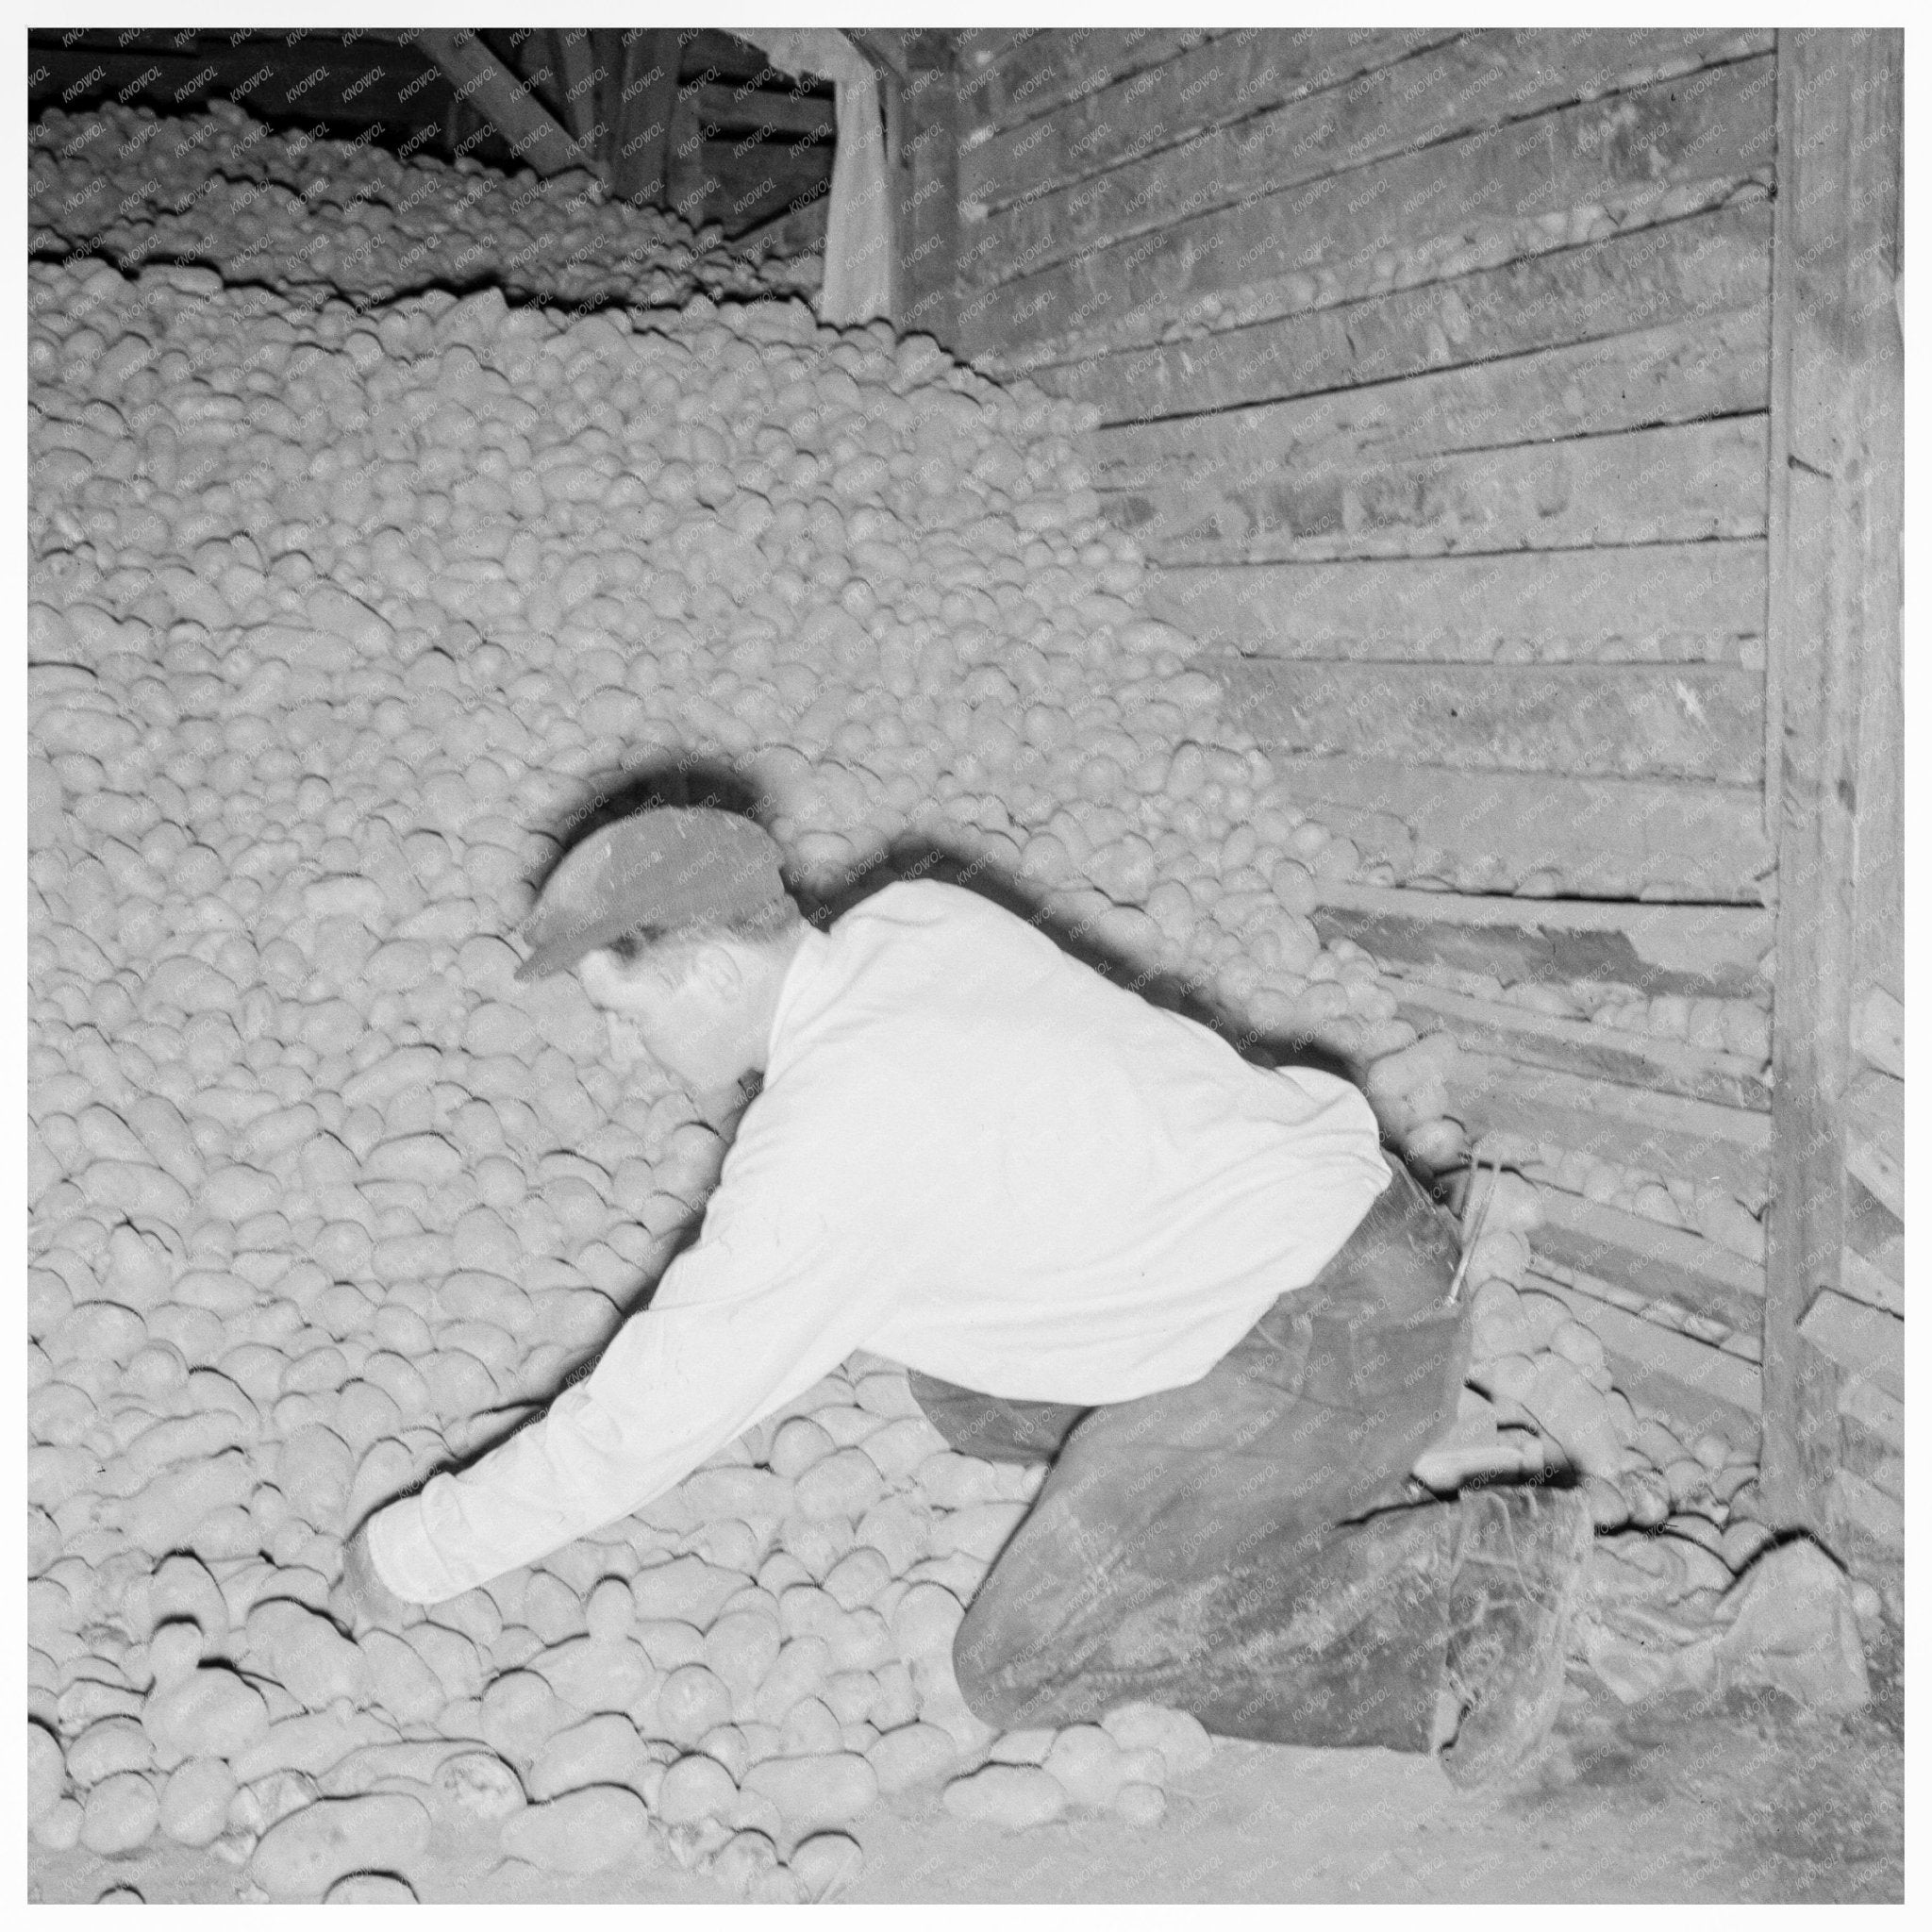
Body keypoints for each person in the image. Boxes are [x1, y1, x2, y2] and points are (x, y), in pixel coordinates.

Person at [335, 804, 1592, 1787]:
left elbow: (647, 1420)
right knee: (955, 1380)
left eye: (624, 1009)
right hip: (1373, 1237)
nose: (624, 1049)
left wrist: (413, 1555)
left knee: (1020, 1661)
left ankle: (1474, 1588)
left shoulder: (833, 1137)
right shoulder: (911, 922)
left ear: (709, 970)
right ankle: (1252, 1489)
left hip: (1335, 1344)